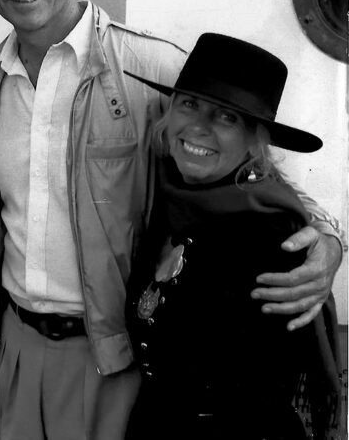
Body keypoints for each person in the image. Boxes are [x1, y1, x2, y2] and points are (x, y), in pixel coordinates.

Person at [0, 0, 344, 438]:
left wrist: (329, 239)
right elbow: (31, 195)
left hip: (112, 357)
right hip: (18, 347)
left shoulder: (152, 70)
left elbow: (249, 169)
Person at [123, 33, 343, 439]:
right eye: (189, 104)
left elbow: (259, 396)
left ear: (255, 140)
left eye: (227, 117)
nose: (200, 127)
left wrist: (333, 238)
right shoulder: (171, 197)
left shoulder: (273, 235)